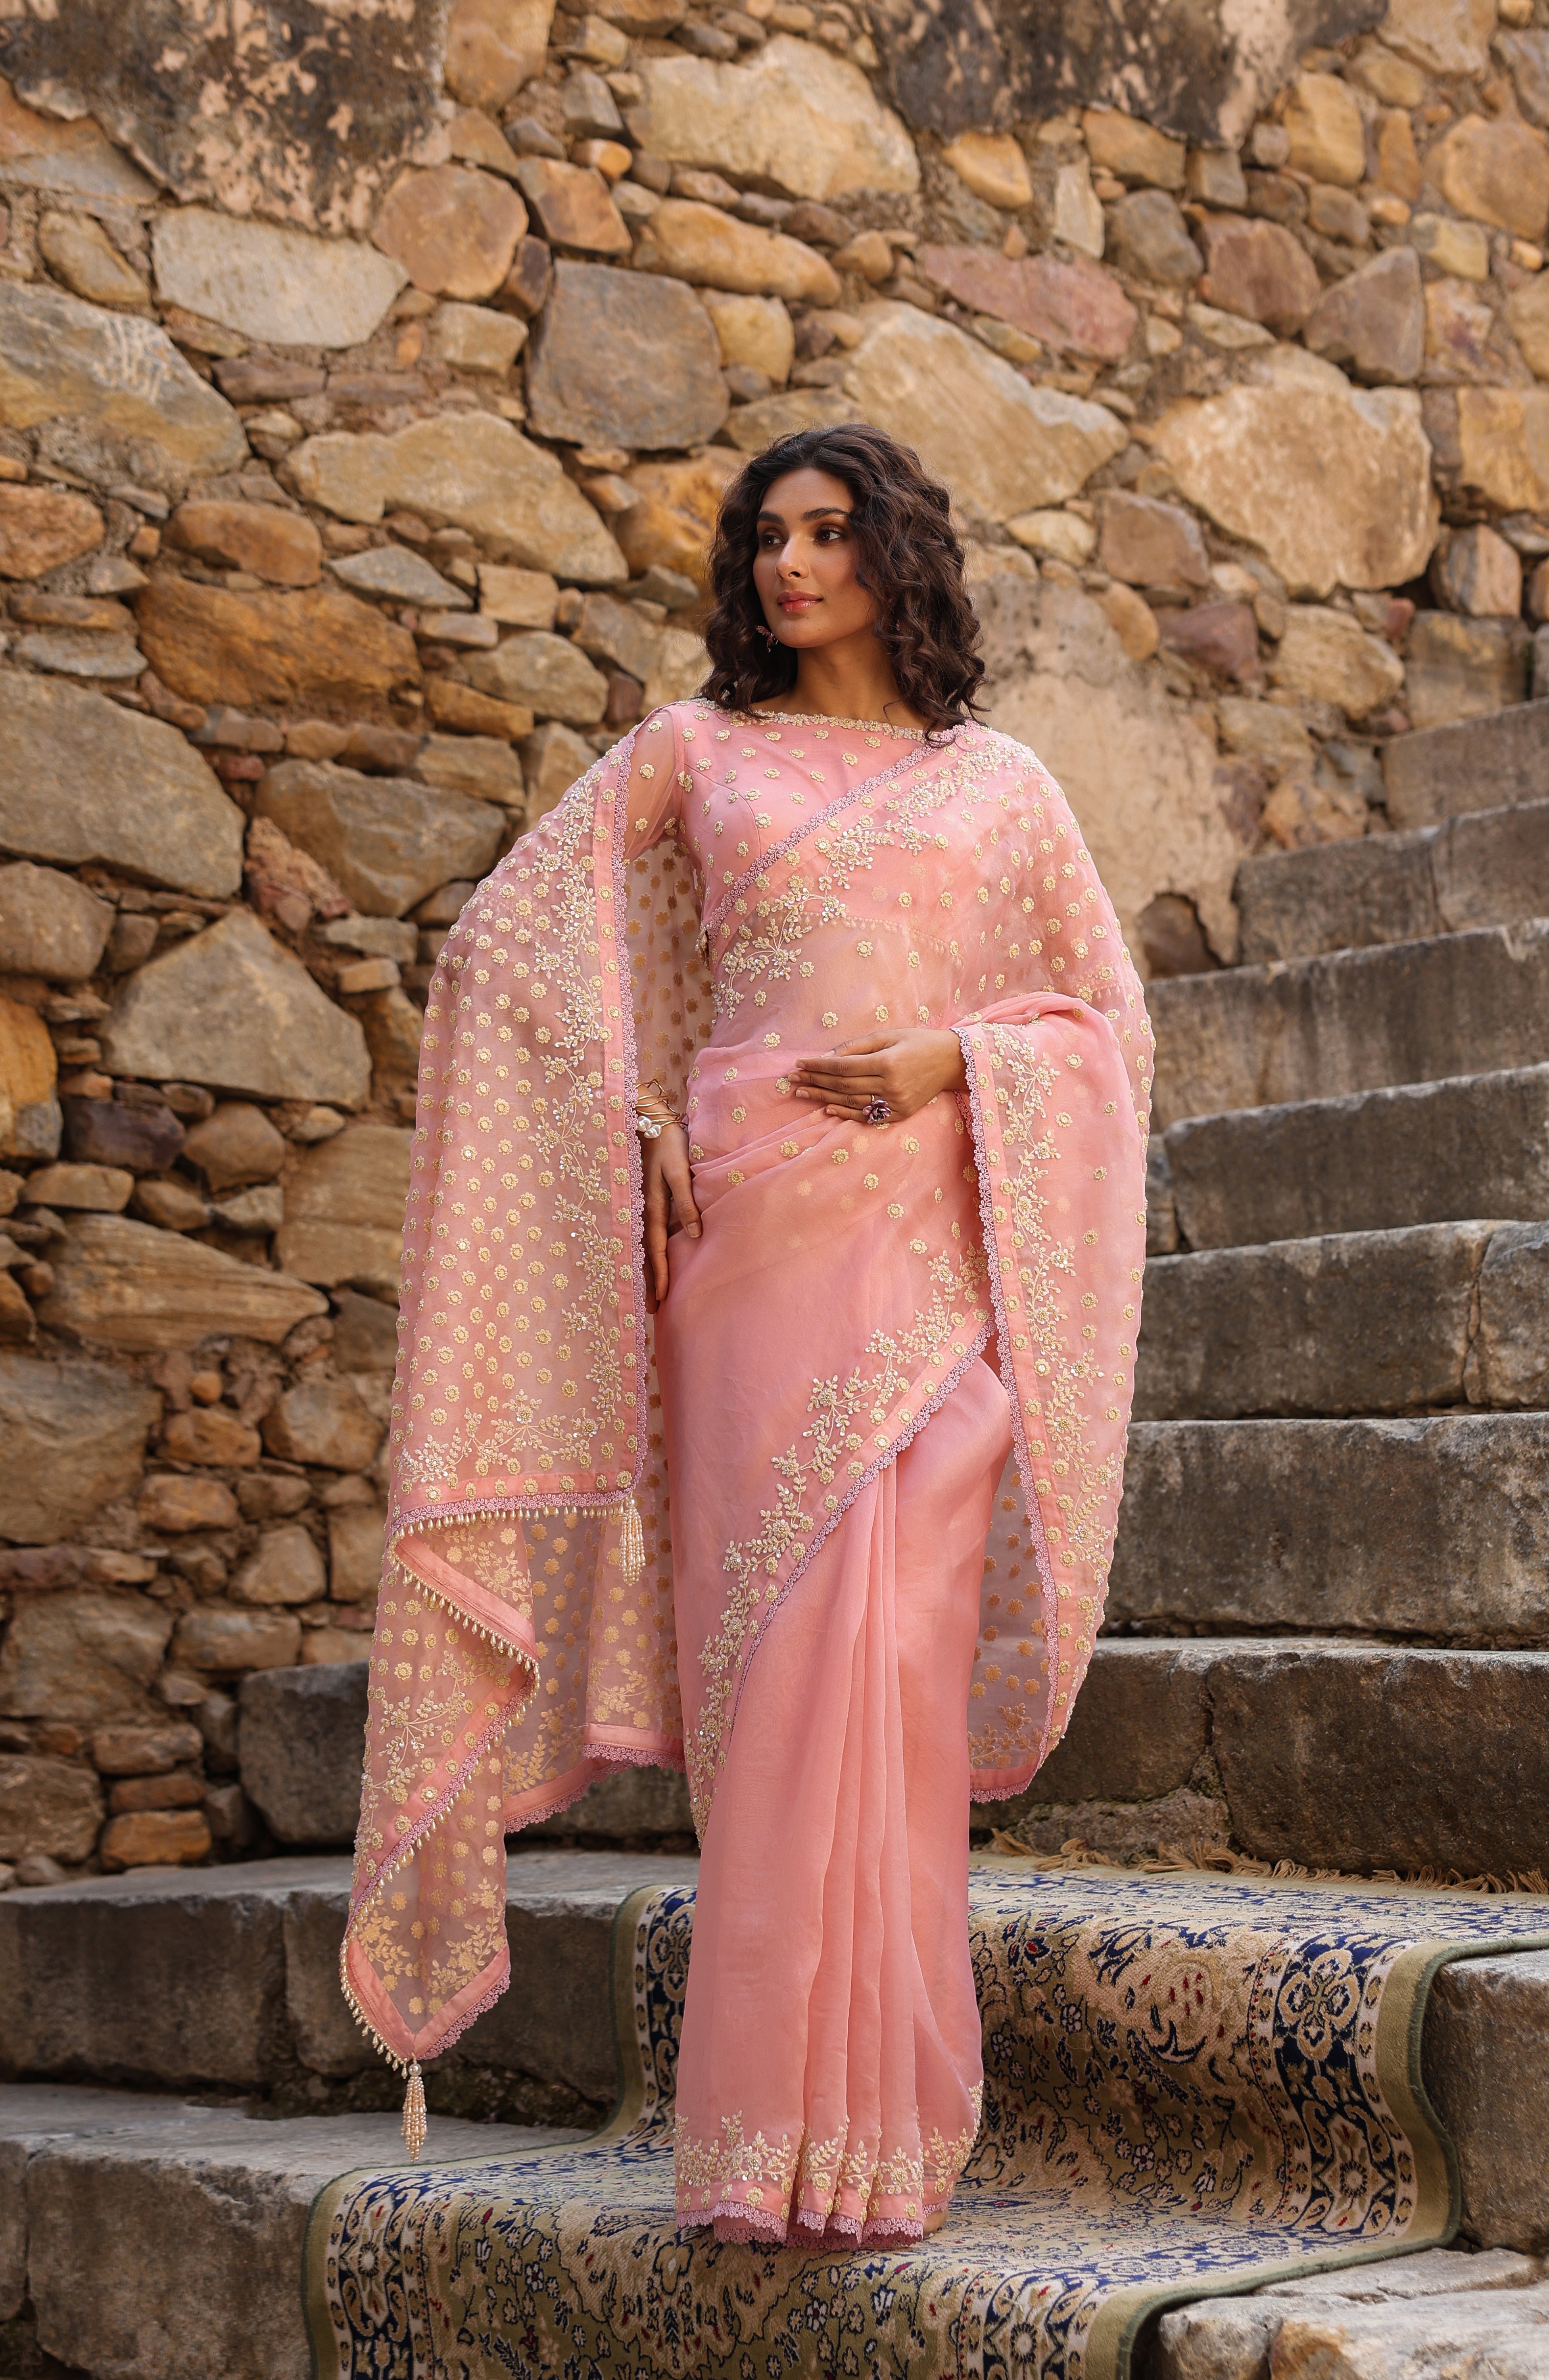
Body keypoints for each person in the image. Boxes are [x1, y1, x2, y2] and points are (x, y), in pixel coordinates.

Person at [341, 423, 1155, 2245]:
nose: (790, 566)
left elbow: (1104, 1031)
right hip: (748, 1262)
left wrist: (961, 1058)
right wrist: (628, 1114)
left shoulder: (1002, 788)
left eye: (828, 532)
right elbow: (510, 950)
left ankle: (877, 2137)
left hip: (926, 1267)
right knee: (782, 1681)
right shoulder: (691, 751)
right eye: (767, 537)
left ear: (895, 553)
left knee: (894, 1662)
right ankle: (763, 2147)